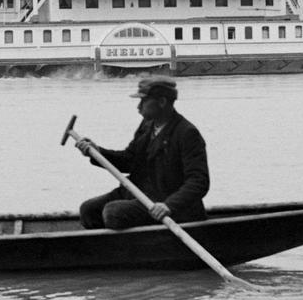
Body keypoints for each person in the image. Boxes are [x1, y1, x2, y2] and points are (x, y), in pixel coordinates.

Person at [77, 75, 209, 230]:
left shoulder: (186, 133)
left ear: (162, 102)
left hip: (166, 205)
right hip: (138, 193)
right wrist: (98, 152)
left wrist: (168, 205)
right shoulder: (147, 125)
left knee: (113, 212)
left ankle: (130, 250)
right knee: (88, 210)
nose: (139, 107)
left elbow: (199, 182)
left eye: (144, 101)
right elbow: (130, 160)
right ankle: (107, 251)